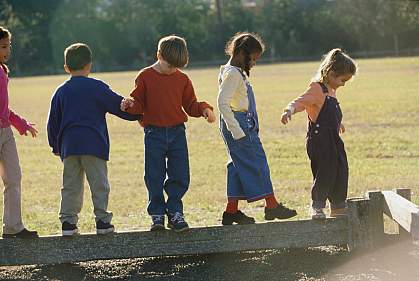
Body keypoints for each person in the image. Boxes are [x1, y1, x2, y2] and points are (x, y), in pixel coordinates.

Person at [121, 35, 216, 232]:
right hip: (153, 133)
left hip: (177, 133)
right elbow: (138, 103)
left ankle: (174, 212)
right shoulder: (145, 76)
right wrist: (129, 105)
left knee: (180, 174)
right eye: (169, 64)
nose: (173, 69)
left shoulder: (182, 79)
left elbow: (190, 105)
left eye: (177, 66)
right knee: (154, 175)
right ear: (158, 55)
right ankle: (157, 215)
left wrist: (204, 109)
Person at [47, 43, 140, 236]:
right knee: (99, 184)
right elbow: (119, 106)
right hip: (94, 145)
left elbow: (53, 122)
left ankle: (68, 223)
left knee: (71, 186)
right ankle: (102, 222)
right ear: (89, 65)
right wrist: (137, 114)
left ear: (66, 67)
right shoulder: (97, 87)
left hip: (69, 147)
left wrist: (55, 146)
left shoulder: (61, 91)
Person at [217, 32, 297, 225]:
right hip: (238, 123)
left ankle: (231, 211)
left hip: (238, 121)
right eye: (252, 59)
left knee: (236, 165)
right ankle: (271, 205)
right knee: (258, 162)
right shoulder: (233, 73)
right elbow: (222, 102)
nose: (254, 63)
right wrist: (237, 130)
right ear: (241, 53)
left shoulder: (231, 71)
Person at [281, 48, 357, 219]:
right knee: (325, 171)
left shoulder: (332, 91)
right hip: (320, 141)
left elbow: (328, 113)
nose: (343, 83)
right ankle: (317, 206)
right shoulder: (317, 89)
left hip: (333, 140)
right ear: (330, 72)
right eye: (342, 79)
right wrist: (289, 110)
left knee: (341, 169)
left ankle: (338, 206)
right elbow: (301, 102)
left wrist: (339, 124)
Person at [0, 27, 39, 239]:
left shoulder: (3, 71)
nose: (8, 50)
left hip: (6, 133)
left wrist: (21, 124)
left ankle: (13, 226)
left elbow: (5, 108)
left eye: (9, 46)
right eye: (4, 46)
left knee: (13, 177)